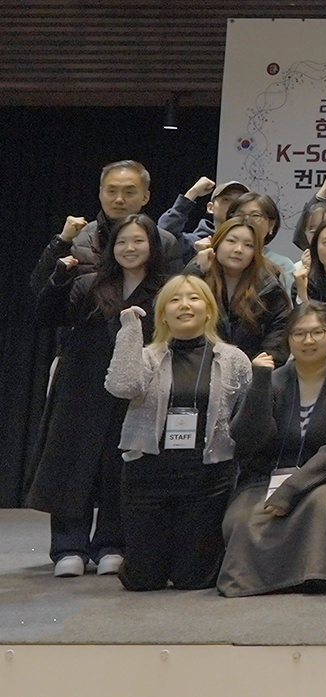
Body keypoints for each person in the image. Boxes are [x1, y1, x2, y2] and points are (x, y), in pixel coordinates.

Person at [29, 212, 169, 577]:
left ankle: (112, 544)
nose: (129, 248)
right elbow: (46, 315)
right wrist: (59, 277)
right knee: (73, 463)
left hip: (135, 392)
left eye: (138, 241)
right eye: (122, 241)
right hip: (81, 386)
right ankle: (68, 547)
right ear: (111, 247)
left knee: (119, 467)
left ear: (153, 246)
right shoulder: (89, 283)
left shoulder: (166, 290)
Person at [105, 275, 254, 590]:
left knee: (193, 579)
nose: (184, 305)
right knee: (143, 581)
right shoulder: (147, 356)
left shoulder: (233, 359)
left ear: (209, 310)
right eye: (174, 300)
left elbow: (245, 415)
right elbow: (121, 386)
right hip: (148, 476)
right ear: (162, 314)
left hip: (207, 478)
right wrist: (129, 330)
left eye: (194, 298)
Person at [217, 303, 326, 596]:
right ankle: (253, 580)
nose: (308, 340)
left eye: (317, 332)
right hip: (267, 476)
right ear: (288, 339)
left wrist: (291, 489)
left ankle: (316, 574)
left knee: (322, 503)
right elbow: (247, 442)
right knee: (239, 519)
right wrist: (259, 384)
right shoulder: (273, 380)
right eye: (299, 333)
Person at [192, 216, 292, 362]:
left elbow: (279, 334)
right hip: (200, 368)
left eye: (248, 245)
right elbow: (171, 311)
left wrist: (256, 367)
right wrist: (197, 270)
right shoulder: (198, 274)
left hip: (253, 367)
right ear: (216, 244)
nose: (238, 250)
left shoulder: (269, 286)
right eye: (231, 241)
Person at [66, 159, 172, 271]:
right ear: (100, 194)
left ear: (145, 197)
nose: (119, 199)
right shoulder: (79, 237)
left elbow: (175, 282)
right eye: (112, 191)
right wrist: (62, 241)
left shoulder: (165, 241)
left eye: (129, 192)